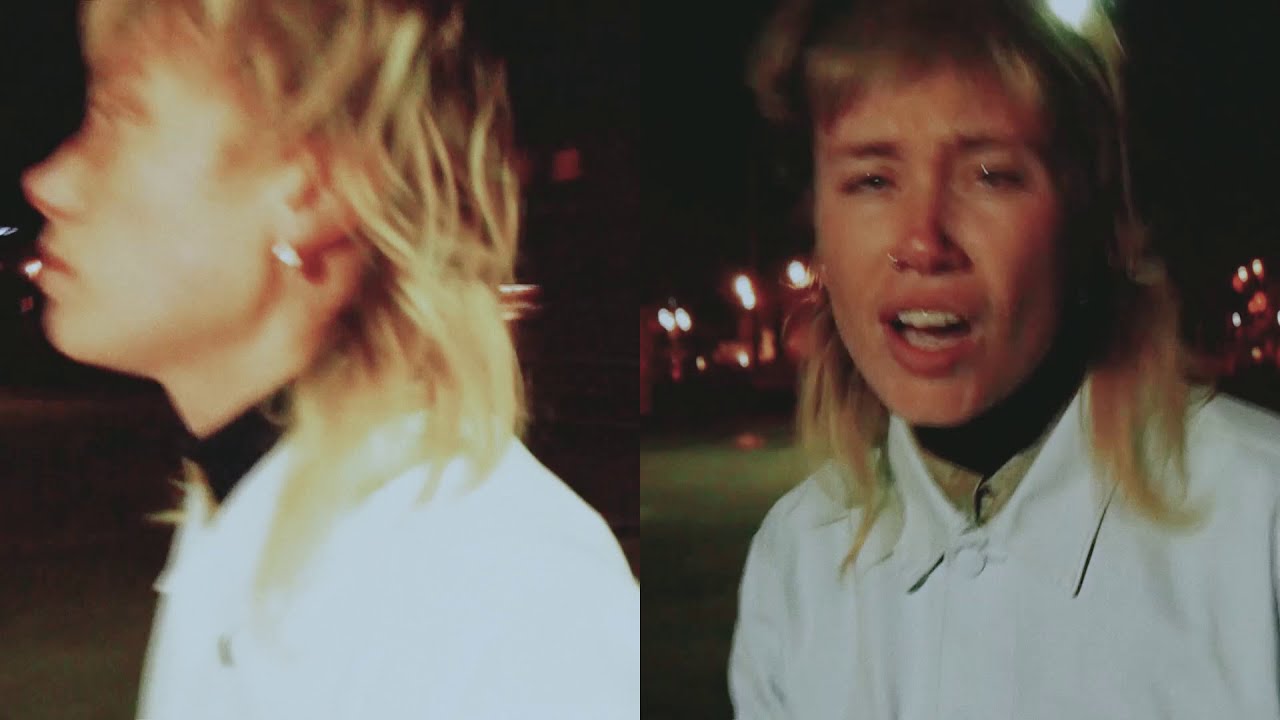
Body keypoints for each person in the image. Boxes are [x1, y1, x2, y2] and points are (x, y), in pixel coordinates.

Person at [22, 0, 638, 717]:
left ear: (309, 193)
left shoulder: (499, 604)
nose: (49, 181)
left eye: (121, 116)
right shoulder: (246, 507)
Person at [729, 0, 1280, 717]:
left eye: (990, 174)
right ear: (820, 231)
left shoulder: (1259, 525)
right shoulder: (794, 563)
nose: (922, 241)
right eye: (872, 180)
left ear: (1088, 216)